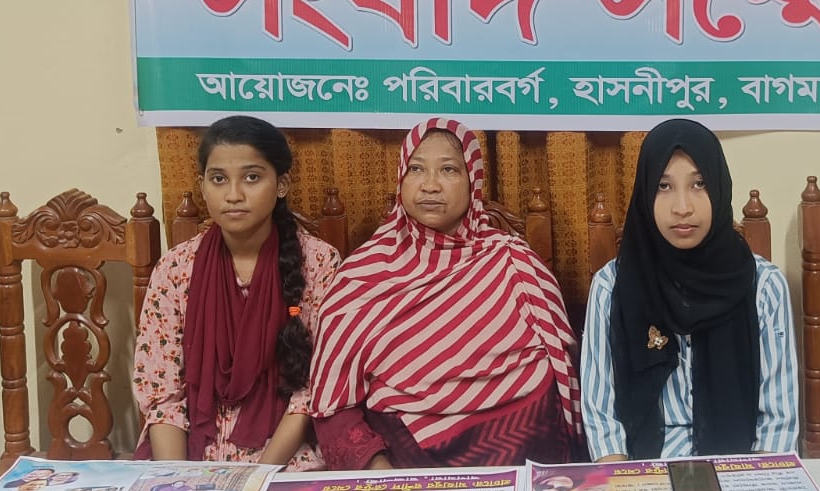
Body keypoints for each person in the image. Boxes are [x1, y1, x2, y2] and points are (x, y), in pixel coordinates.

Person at [307, 117, 581, 469]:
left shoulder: (514, 262)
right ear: (401, 179)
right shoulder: (361, 276)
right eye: (416, 169)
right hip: (407, 467)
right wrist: (383, 479)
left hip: (526, 457)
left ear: (473, 183)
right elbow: (334, 409)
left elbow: (563, 373)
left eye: (449, 170)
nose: (430, 185)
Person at [581, 118, 798, 460]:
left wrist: (747, 488)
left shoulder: (763, 286)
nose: (682, 207)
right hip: (642, 471)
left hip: (738, 469)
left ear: (720, 187)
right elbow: (602, 421)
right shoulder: (611, 287)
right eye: (664, 186)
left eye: (699, 184)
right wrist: (625, 485)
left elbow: (777, 424)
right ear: (644, 194)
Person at [133, 115, 340, 469]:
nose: (233, 195)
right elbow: (162, 394)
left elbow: (313, 391)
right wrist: (176, 480)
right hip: (190, 455)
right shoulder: (175, 268)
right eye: (218, 179)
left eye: (252, 177)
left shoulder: (319, 264)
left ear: (282, 184)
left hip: (286, 458)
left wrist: (257, 478)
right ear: (202, 186)